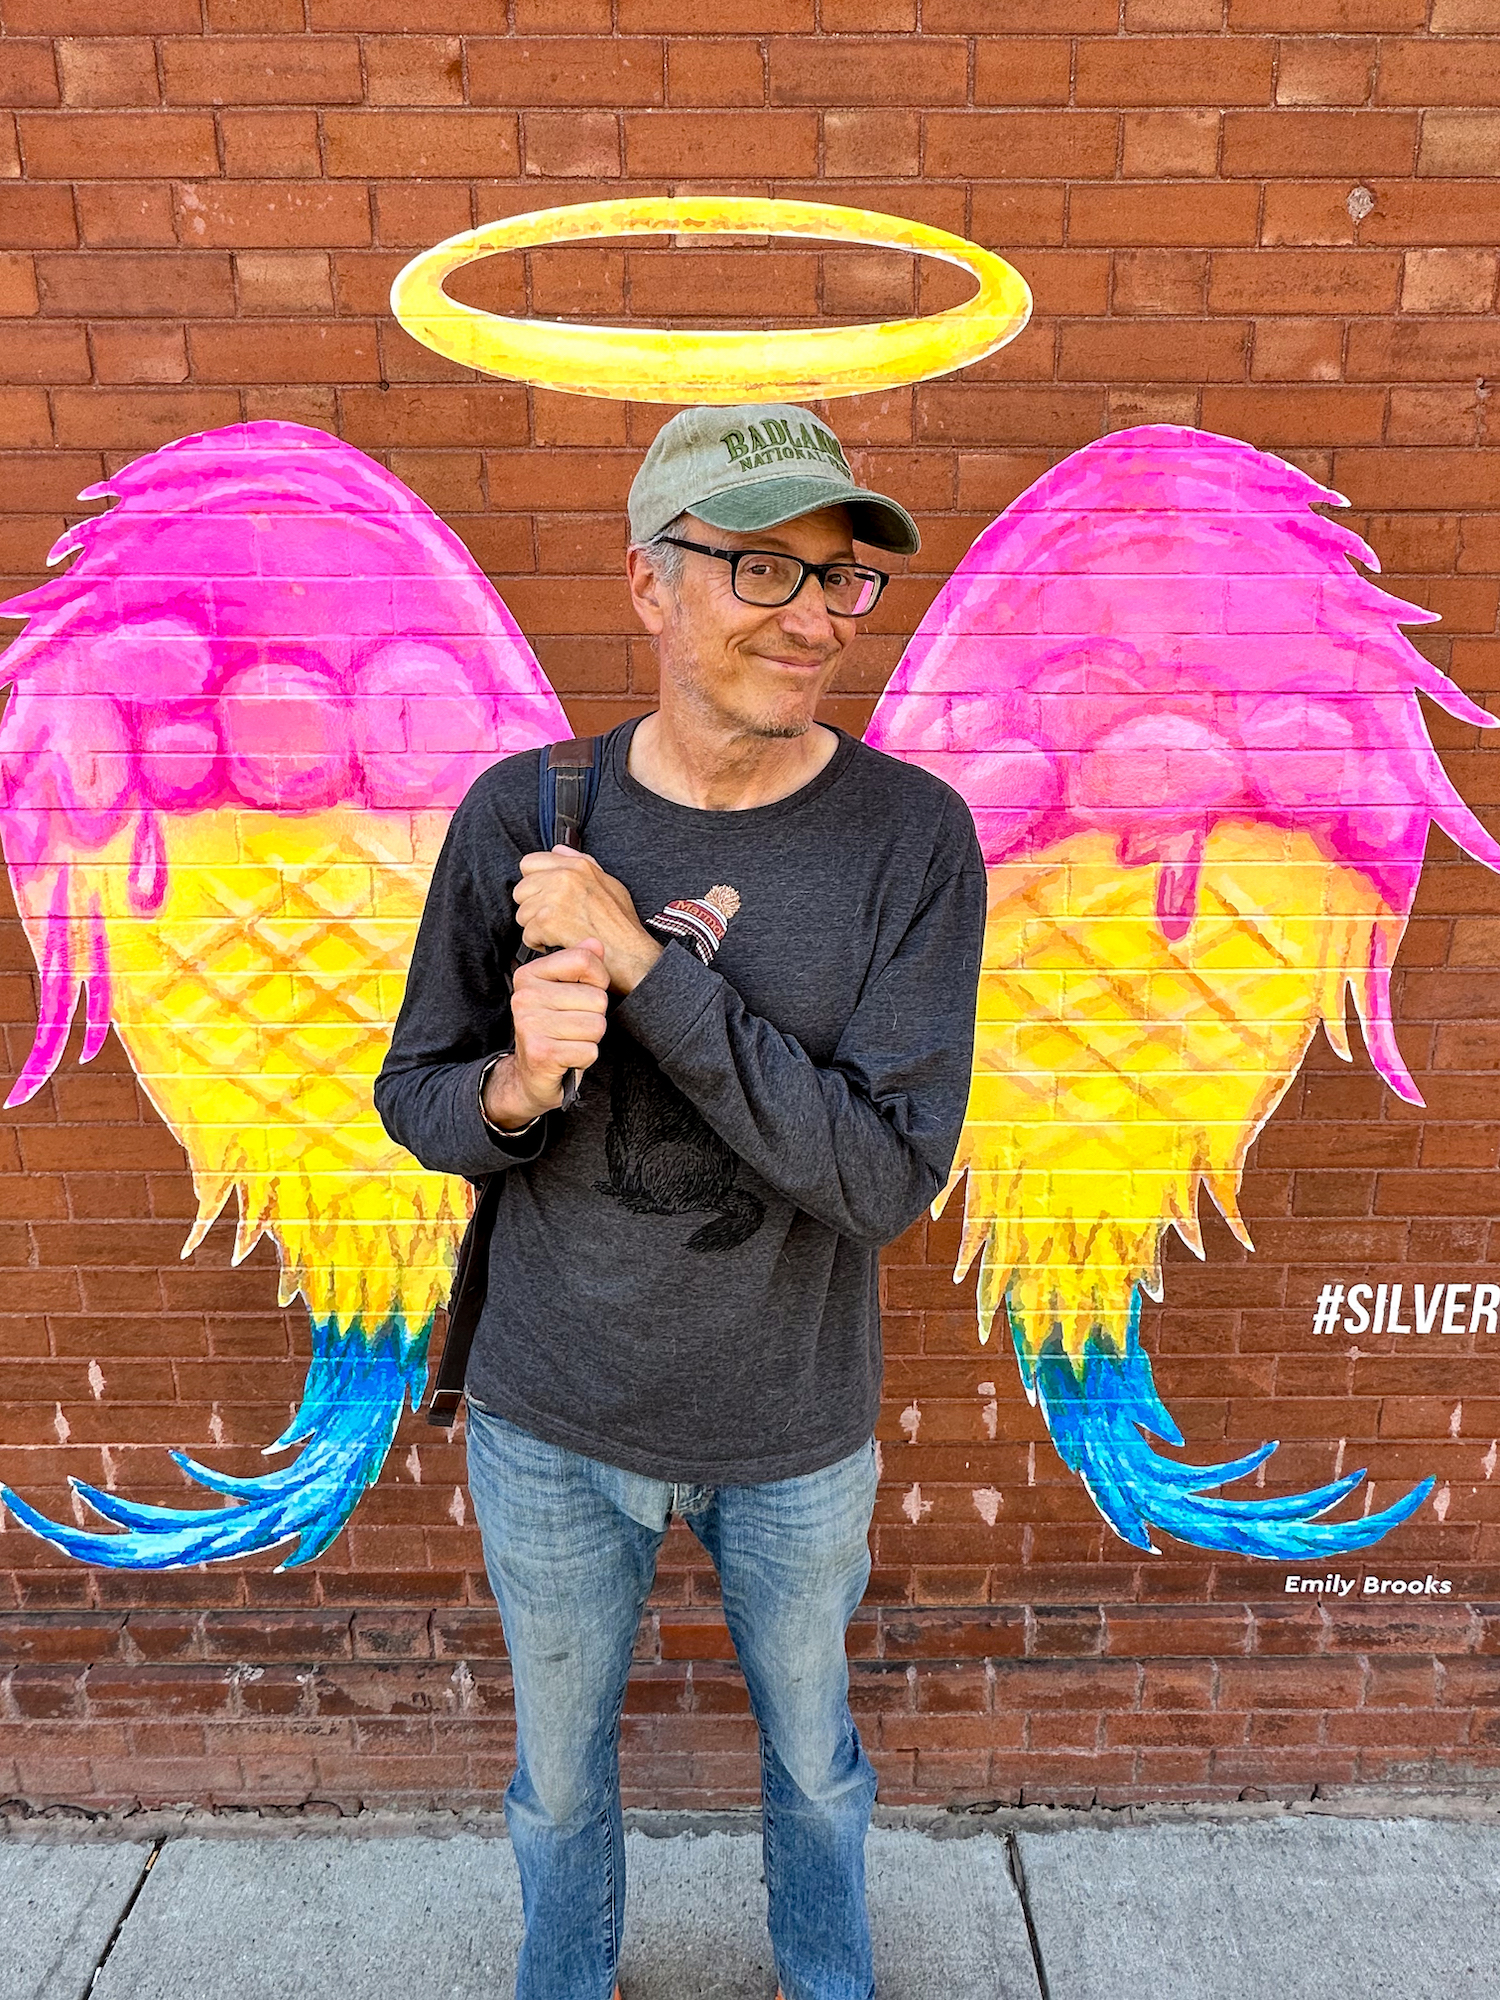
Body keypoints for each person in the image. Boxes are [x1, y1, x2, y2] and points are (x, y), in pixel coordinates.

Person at [375, 402, 987, 2000]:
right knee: (557, 1783)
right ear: (650, 583)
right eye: (760, 569)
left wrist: (649, 970)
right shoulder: (526, 816)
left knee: (818, 1768)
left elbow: (882, 1176)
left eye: (841, 577)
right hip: (551, 1418)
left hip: (793, 1428)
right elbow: (416, 1096)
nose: (814, 618)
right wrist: (515, 1090)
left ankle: (827, 1980)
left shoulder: (911, 839)